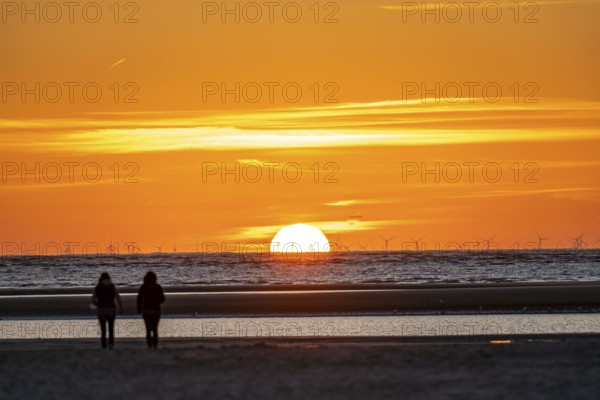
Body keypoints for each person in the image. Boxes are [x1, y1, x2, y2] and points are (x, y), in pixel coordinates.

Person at [92, 272, 123, 349]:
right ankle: (111, 344)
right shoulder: (112, 286)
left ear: (101, 278)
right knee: (111, 328)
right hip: (111, 309)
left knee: (103, 329)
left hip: (101, 310)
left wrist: (97, 304)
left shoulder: (97, 287)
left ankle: (103, 345)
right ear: (109, 278)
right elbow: (118, 298)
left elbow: (93, 299)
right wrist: (121, 308)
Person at [137, 271, 165, 349]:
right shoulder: (158, 287)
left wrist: (139, 309)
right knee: (155, 329)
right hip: (156, 310)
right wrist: (157, 302)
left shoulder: (143, 286)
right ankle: (155, 346)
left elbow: (139, 298)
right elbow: (163, 299)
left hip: (146, 310)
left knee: (148, 329)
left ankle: (149, 346)